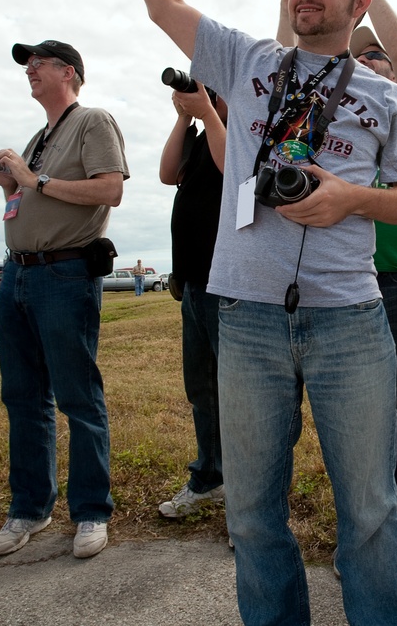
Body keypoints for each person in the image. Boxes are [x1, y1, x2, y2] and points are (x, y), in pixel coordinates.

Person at [122, 0, 397, 624]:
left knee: (369, 512)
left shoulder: (386, 97)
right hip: (248, 318)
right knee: (254, 514)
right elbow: (161, 0)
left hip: (350, 321)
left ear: (356, 3)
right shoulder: (249, 61)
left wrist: (351, 198)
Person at [278, 0, 397, 579]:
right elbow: (283, 60)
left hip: (395, 280)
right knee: (305, 417)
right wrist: (284, 1)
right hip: (326, 283)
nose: (373, 64)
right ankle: (340, 534)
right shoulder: (320, 109)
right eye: (360, 56)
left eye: (381, 58)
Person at [0, 39, 127, 560]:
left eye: (38, 63)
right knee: (23, 397)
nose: (30, 71)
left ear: (69, 71)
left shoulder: (93, 121)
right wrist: (8, 183)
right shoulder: (40, 136)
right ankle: (29, 508)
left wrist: (30, 176)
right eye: (27, 66)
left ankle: (90, 511)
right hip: (16, 276)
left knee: (77, 396)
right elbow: (32, 197)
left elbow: (109, 190)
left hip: (64, 274)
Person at [157, 81, 226, 519]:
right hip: (195, 286)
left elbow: (232, 165)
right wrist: (185, 116)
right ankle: (209, 478)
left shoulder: (238, 129)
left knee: (237, 394)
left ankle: (246, 492)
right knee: (201, 389)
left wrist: (210, 111)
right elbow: (167, 173)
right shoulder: (200, 137)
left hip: (228, 287)